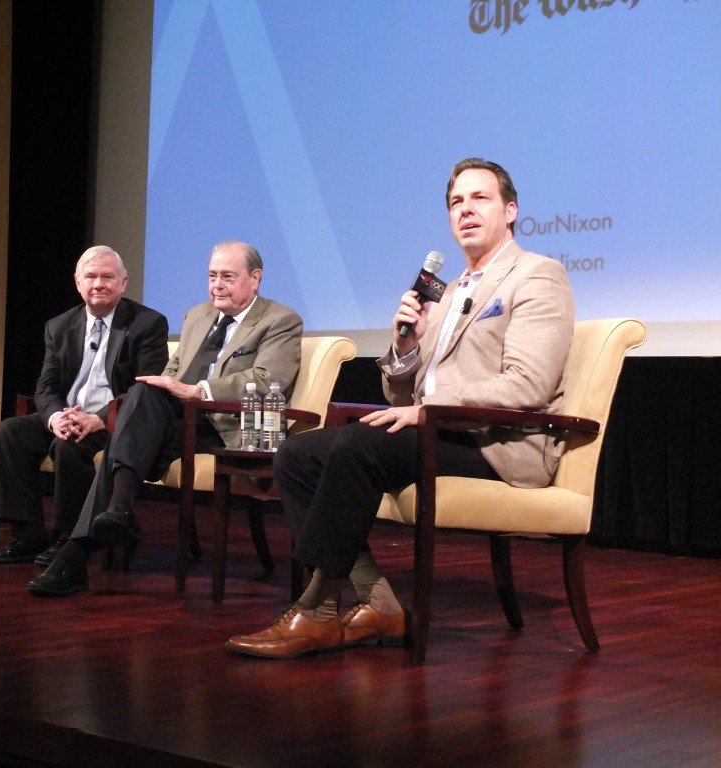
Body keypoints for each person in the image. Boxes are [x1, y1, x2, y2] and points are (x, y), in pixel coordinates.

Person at [226, 158, 575, 658]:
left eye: (480, 198)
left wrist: (428, 410)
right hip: (440, 431)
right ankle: (379, 601)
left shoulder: (538, 275)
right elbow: (401, 398)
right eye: (457, 202)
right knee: (297, 454)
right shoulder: (450, 292)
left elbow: (527, 385)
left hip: (499, 444)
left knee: (356, 444)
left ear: (511, 210)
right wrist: (405, 346)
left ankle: (316, 609)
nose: (466, 210)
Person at [27, 240, 303, 596]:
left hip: (230, 427)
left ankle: (82, 547)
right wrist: (166, 387)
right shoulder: (197, 315)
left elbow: (268, 381)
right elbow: (172, 371)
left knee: (124, 440)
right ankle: (113, 517)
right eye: (212, 275)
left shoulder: (279, 320)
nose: (217, 284)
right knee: (143, 391)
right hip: (181, 421)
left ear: (255, 278)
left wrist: (198, 390)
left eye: (228, 277)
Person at [0, 246, 169, 565]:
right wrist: (55, 417)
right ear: (77, 283)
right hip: (68, 415)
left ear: (123, 283)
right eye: (91, 276)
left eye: (108, 276)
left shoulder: (147, 324)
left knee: (69, 448)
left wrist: (98, 419)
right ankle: (28, 534)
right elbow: (47, 385)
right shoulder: (59, 326)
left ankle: (69, 539)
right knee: (10, 432)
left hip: (117, 421)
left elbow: (146, 388)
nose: (98, 284)